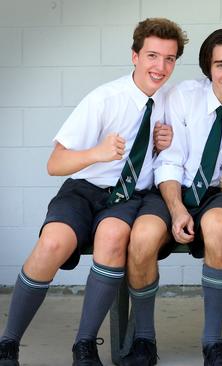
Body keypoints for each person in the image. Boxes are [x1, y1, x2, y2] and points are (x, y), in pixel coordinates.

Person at [0, 18, 187, 365]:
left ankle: (84, 345)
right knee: (53, 243)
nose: (160, 67)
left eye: (169, 58)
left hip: (128, 196)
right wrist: (96, 153)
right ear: (134, 56)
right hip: (85, 190)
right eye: (152, 56)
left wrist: (164, 146)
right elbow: (54, 164)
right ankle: (8, 342)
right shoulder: (105, 98)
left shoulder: (171, 101)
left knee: (113, 237)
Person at [121, 29, 222, 366]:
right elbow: (169, 160)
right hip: (173, 186)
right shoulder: (184, 95)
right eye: (220, 65)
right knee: (143, 237)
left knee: (221, 226)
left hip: (217, 191)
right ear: (208, 68)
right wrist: (177, 209)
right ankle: (144, 340)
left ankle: (213, 344)